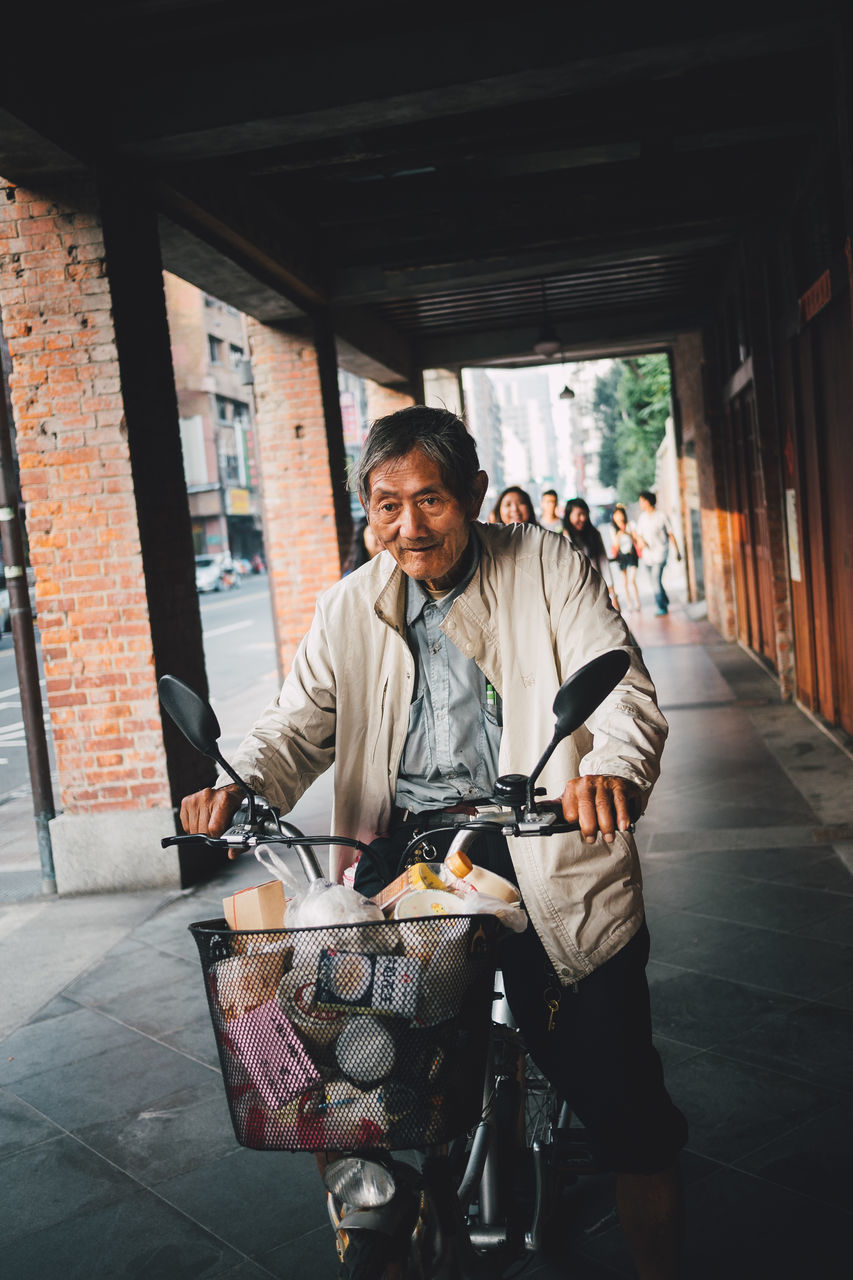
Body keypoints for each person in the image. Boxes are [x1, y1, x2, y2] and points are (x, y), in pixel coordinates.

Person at [180, 407, 686, 1279]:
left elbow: (618, 693)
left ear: (475, 495)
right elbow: (294, 725)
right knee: (330, 1047)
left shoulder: (546, 566)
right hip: (407, 852)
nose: (407, 527)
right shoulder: (348, 605)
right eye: (385, 505)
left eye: (430, 501)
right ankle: (377, 1184)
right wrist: (241, 783)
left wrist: (609, 773)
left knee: (622, 1105)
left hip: (539, 842)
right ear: (366, 510)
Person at [563, 497, 620, 611]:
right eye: (579, 514)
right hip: (576, 594)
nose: (583, 518)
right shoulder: (563, 539)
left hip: (596, 589)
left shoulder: (594, 534)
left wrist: (611, 591)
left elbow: (604, 563)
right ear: (569, 516)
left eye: (585, 514)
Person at [635, 490, 681, 617]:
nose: (640, 504)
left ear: (648, 501)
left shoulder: (661, 516)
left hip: (660, 553)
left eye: (642, 501)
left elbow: (670, 534)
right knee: (655, 582)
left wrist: (677, 551)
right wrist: (640, 541)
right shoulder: (642, 518)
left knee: (655, 580)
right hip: (647, 556)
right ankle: (664, 599)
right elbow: (638, 534)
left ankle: (661, 606)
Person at [611, 503, 642, 612]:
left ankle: (637, 603)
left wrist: (627, 533)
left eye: (620, 515)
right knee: (624, 582)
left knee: (632, 579)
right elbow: (615, 545)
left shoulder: (630, 525)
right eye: (616, 515)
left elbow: (635, 539)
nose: (618, 517)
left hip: (632, 554)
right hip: (621, 556)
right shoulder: (613, 529)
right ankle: (629, 604)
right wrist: (619, 535)